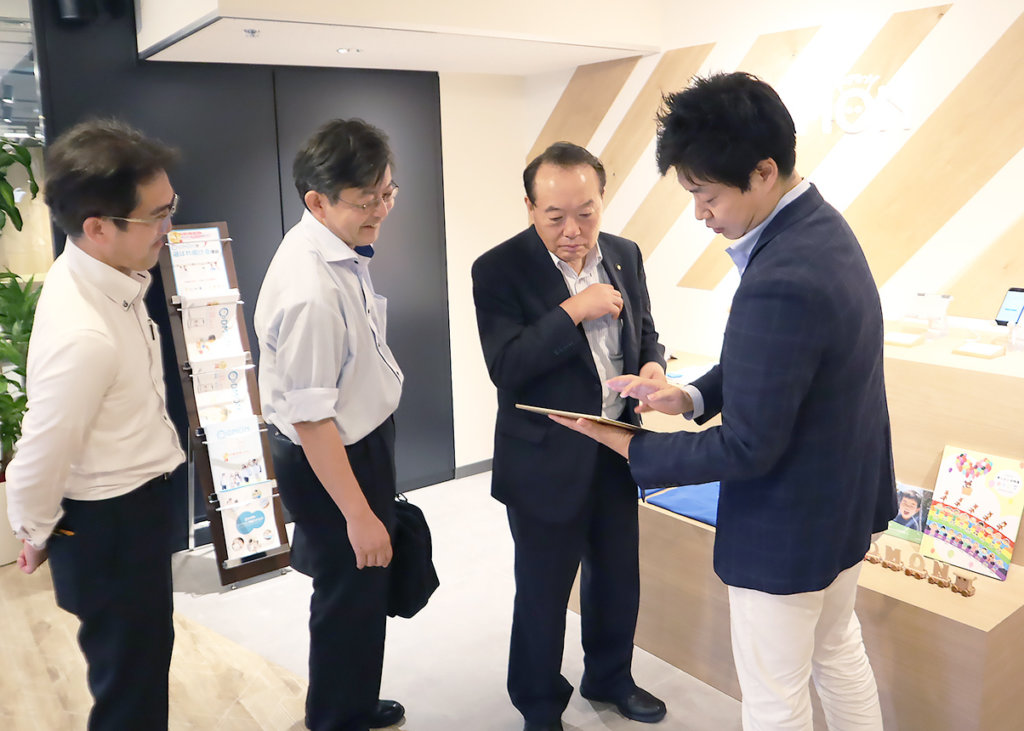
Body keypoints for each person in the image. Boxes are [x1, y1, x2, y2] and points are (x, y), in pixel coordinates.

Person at [550, 73, 896, 731]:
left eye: (705, 195)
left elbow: (748, 446)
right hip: (843, 504)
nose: (699, 214)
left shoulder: (780, 275)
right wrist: (688, 394)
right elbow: (782, 365)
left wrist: (630, 445)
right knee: (836, 650)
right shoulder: (824, 229)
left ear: (762, 172)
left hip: (788, 524)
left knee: (774, 697)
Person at [472, 142, 668, 731]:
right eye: (555, 216)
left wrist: (653, 366)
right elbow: (507, 367)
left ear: (602, 200)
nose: (573, 231)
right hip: (544, 460)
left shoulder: (625, 255)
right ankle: (538, 705)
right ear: (530, 207)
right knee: (543, 592)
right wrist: (573, 310)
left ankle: (610, 678)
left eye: (586, 213)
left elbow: (647, 331)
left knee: (617, 579)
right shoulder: (498, 269)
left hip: (616, 446)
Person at [4, 119, 186, 729]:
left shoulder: (101, 276)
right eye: (156, 216)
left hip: (130, 513)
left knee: (139, 666)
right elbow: (42, 448)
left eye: (170, 207)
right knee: (130, 686)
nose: (168, 227)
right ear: (98, 227)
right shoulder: (85, 332)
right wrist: (34, 530)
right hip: (112, 525)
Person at [254, 118, 405, 731]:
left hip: (356, 443)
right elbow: (312, 421)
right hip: (334, 457)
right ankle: (336, 719)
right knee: (348, 591)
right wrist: (358, 514)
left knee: (363, 592)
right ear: (317, 202)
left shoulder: (335, 246)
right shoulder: (310, 289)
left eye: (387, 193)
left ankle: (353, 704)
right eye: (366, 201)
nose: (381, 211)